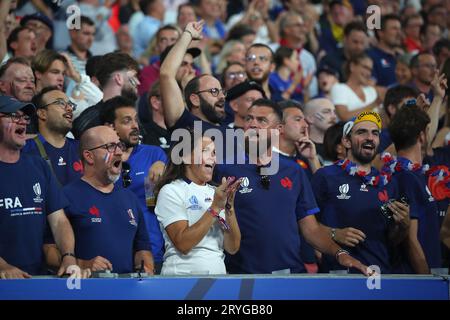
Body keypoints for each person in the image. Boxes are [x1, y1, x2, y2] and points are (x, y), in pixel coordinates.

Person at [215, 98, 370, 275]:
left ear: (278, 129)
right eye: (249, 119)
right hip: (243, 274)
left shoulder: (294, 170)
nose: (253, 124)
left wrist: (339, 253)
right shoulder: (224, 169)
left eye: (262, 120)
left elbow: (311, 230)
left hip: (290, 275)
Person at [311, 111, 410, 273]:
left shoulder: (388, 182)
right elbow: (306, 225)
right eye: (361, 132)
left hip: (378, 273)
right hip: (338, 273)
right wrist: (334, 234)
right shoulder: (325, 176)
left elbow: (392, 239)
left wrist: (404, 226)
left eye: (375, 133)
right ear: (346, 141)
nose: (369, 137)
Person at [0, 95, 80, 278]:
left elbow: (59, 220)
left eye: (25, 117)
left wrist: (68, 256)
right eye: (14, 116)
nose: (22, 121)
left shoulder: (38, 166)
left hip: (36, 278)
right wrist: (3, 266)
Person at [63, 126, 154, 274]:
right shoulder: (67, 196)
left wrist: (145, 267)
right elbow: (50, 250)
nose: (119, 152)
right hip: (85, 291)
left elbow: (142, 247)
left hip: (127, 293)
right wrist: (83, 264)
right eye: (110, 146)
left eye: (119, 146)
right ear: (89, 156)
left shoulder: (130, 198)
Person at [154, 131, 242, 275]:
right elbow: (183, 243)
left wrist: (228, 208)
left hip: (218, 279)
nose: (213, 158)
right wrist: (215, 208)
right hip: (182, 280)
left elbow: (232, 247)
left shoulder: (217, 192)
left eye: (214, 153)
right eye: (205, 150)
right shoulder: (171, 191)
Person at [99, 96, 167, 272]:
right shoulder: (99, 159)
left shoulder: (154, 155)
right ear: (110, 127)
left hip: (150, 252)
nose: (135, 126)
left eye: (136, 120)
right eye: (127, 121)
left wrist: (163, 168)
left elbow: (153, 202)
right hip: (108, 254)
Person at [386, 103, 448, 273]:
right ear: (422, 136)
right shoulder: (406, 177)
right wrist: (427, 281)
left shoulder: (408, 174)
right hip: (417, 280)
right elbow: (409, 239)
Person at [22, 87, 82, 186]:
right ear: (42, 113)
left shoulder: (82, 149)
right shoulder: (25, 151)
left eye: (70, 105)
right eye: (61, 103)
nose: (70, 108)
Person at [330, 53, 380, 121]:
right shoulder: (339, 88)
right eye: (365, 67)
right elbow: (344, 117)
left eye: (370, 70)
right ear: (352, 66)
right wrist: (374, 104)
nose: (368, 73)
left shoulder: (371, 91)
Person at [303, 98, 338, 163]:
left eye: (334, 112)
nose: (334, 116)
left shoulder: (342, 144)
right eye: (326, 112)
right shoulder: (304, 148)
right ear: (310, 119)